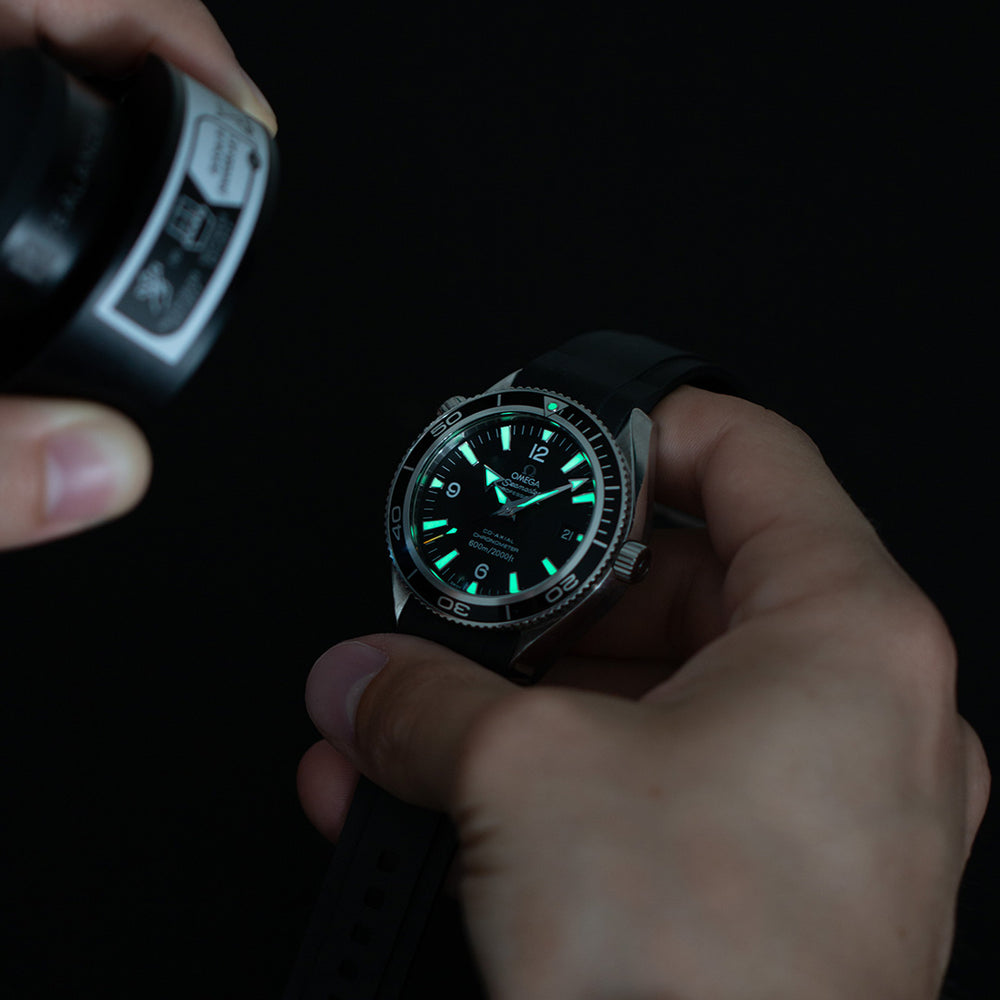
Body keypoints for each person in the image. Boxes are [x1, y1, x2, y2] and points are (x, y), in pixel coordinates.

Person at [1, 3, 989, 997]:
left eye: (549, 512)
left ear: (618, 561)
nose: (513, 508)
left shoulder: (590, 558)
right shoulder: (510, 496)